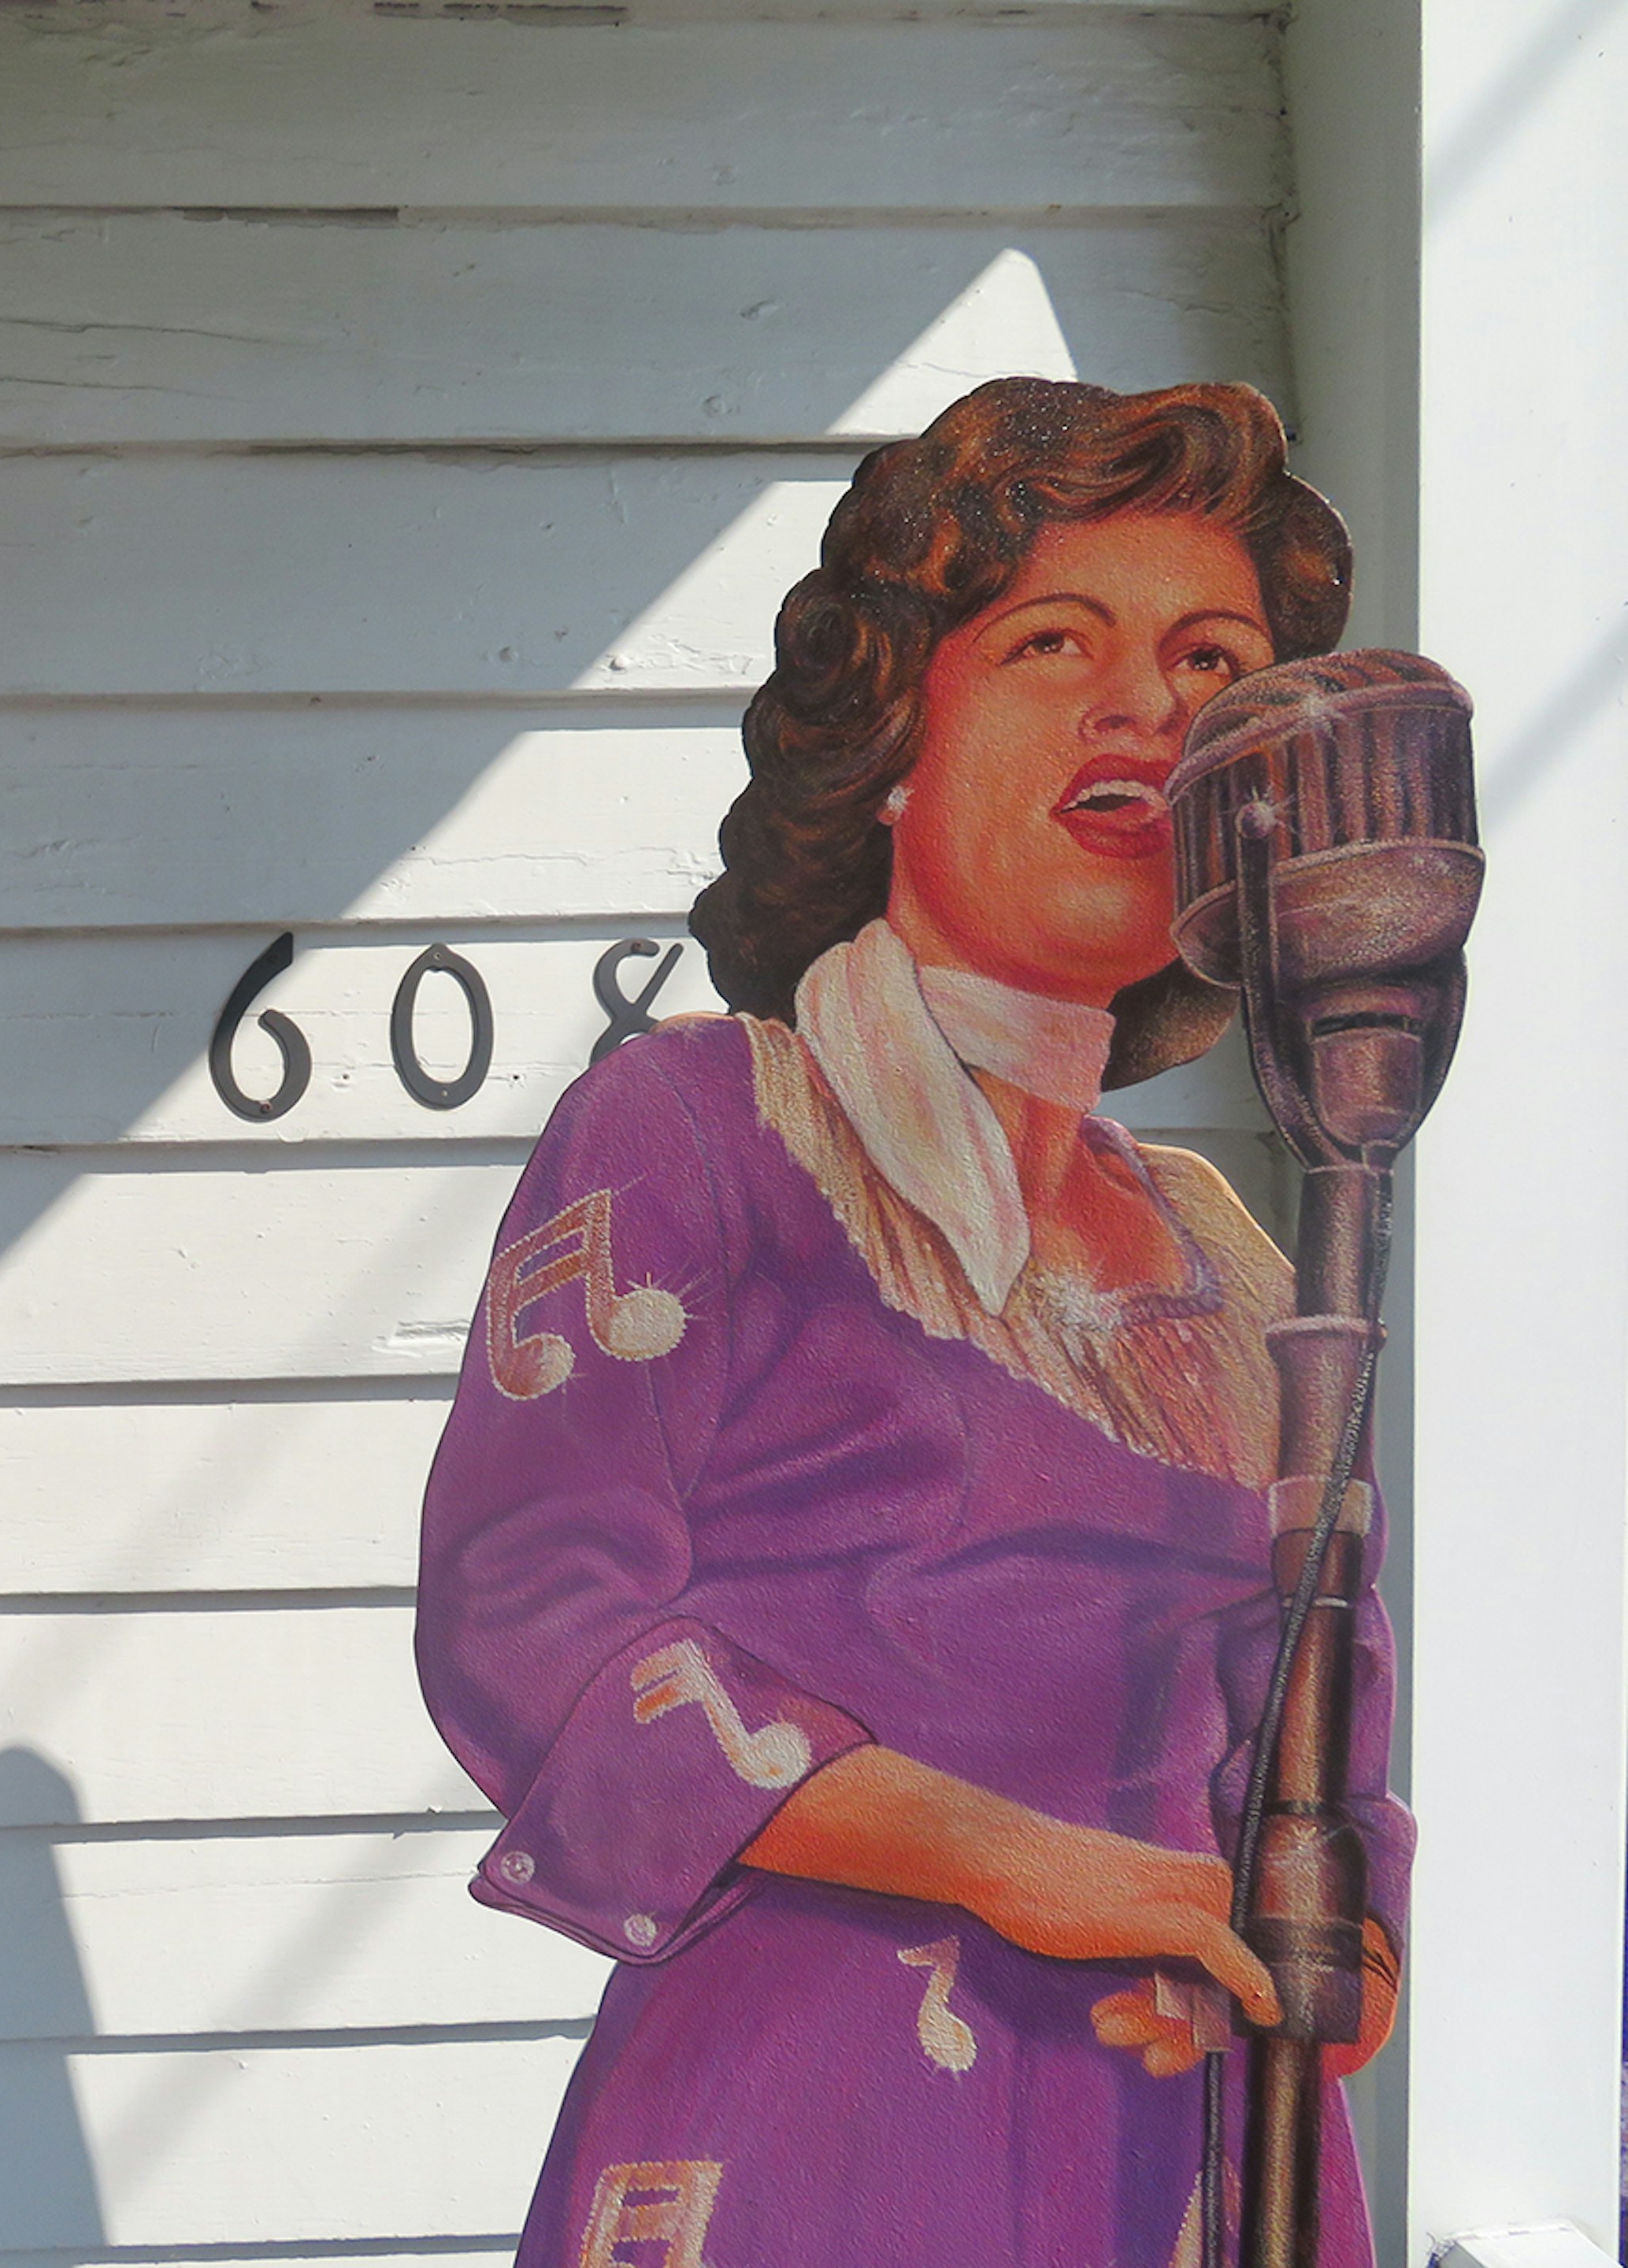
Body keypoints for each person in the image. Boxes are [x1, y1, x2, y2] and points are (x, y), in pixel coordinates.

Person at [414, 377, 1408, 2268]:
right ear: (888, 734)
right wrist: (1024, 1863)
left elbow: (1331, 1706)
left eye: (1215, 661)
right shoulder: (703, 1132)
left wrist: (1351, 1939)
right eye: (1057, 642)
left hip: (1196, 2159)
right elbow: (529, 1626)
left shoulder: (1236, 1246)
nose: (1155, 707)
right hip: (814, 2147)